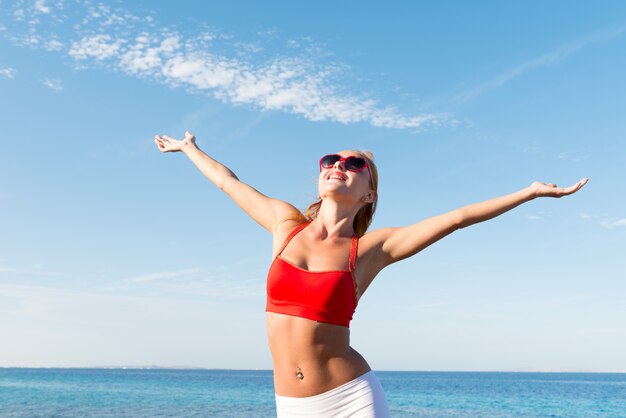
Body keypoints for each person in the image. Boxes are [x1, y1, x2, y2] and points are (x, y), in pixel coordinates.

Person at [154, 131, 587, 417]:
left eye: (354, 164)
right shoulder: (284, 225)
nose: (338, 164)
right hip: (290, 403)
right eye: (331, 159)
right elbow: (230, 183)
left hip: (349, 398)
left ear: (369, 194)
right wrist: (189, 147)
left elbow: (456, 218)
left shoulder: (371, 251)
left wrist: (529, 193)